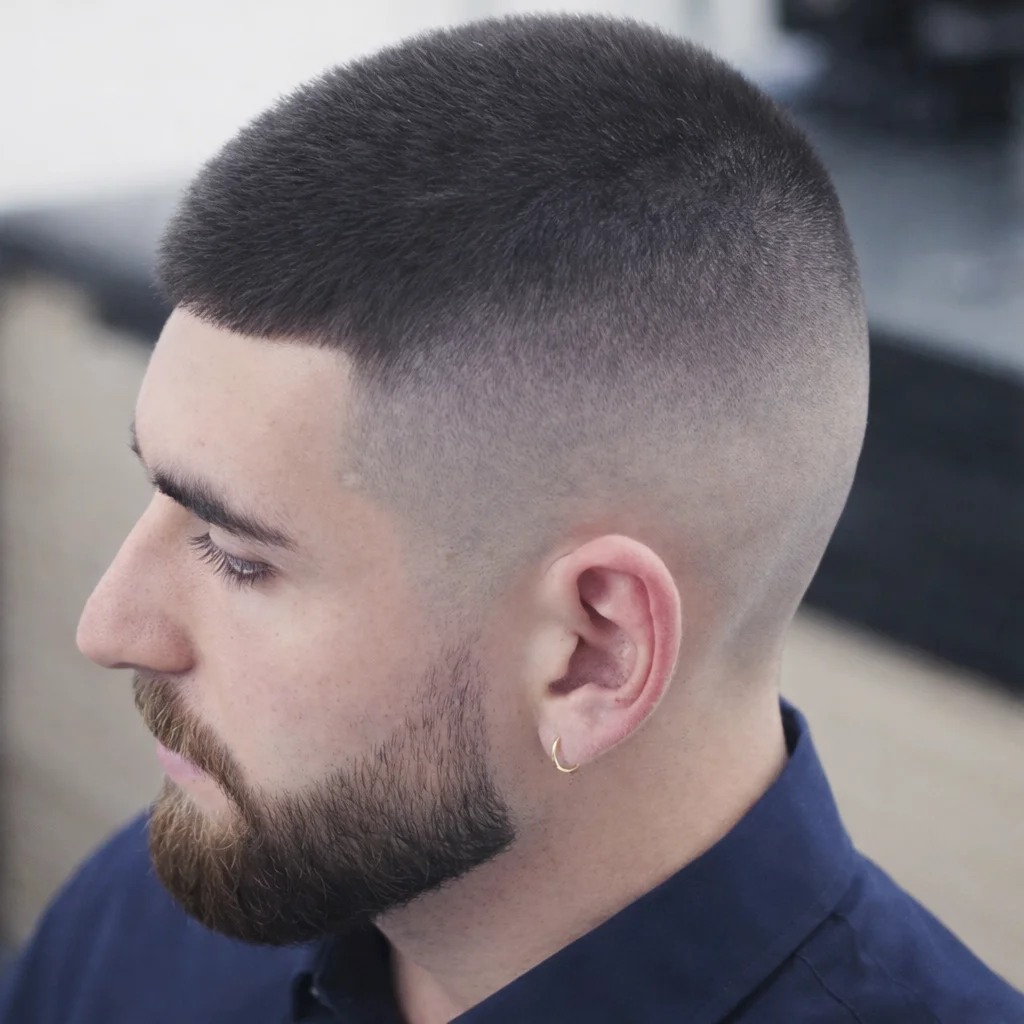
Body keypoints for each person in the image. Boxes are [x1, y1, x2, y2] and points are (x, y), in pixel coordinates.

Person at [1, 13, 1020, 1024]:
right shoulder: (151, 923)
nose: (109, 627)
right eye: (162, 498)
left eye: (236, 555)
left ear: (591, 654)